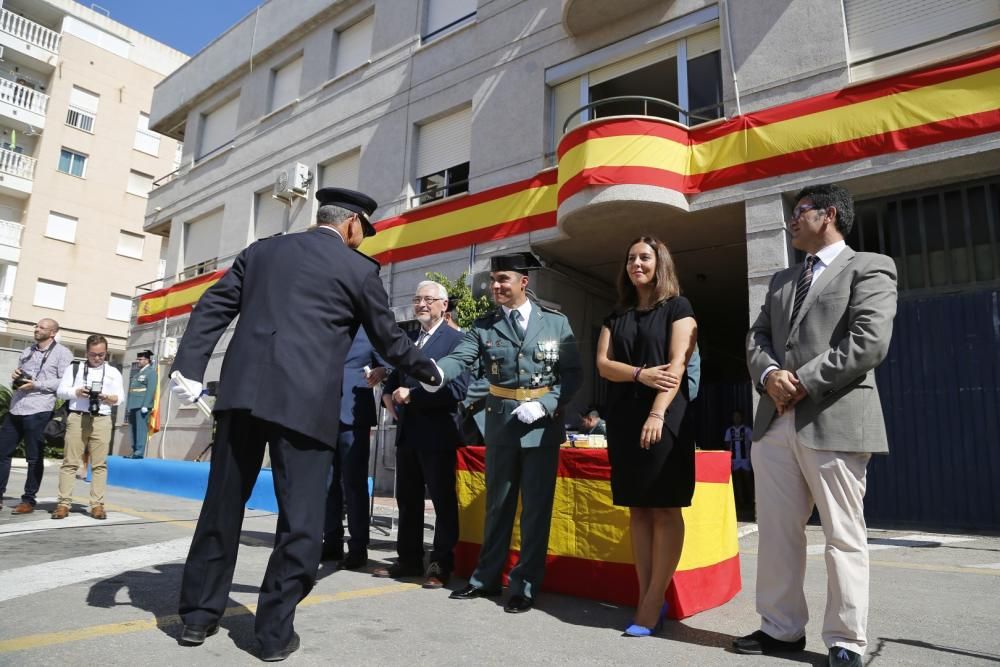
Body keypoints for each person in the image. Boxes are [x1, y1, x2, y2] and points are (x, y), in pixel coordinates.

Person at [168, 187, 440, 662]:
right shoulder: (358, 270)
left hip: (242, 395)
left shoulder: (262, 251)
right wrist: (426, 369)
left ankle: (196, 618)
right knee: (302, 520)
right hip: (304, 404)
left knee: (222, 507)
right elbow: (388, 338)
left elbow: (212, 307)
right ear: (353, 223)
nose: (362, 241)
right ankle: (272, 635)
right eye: (363, 232)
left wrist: (189, 366)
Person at [735, 183, 897, 667]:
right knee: (778, 532)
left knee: (843, 535)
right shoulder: (783, 279)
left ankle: (846, 640)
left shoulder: (870, 267)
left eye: (799, 210)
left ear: (827, 215)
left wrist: (801, 381)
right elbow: (757, 336)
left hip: (834, 417)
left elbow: (869, 342)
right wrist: (767, 374)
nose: (791, 218)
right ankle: (780, 630)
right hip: (775, 422)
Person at [427, 252, 581, 614]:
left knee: (536, 510)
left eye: (503, 280)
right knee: (498, 506)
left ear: (523, 283)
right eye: (493, 280)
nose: (495, 286)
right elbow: (461, 357)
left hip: (541, 426)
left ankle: (524, 586)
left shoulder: (556, 323)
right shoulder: (484, 325)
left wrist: (546, 403)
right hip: (501, 425)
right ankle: (485, 579)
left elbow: (573, 374)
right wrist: (435, 373)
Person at [596, 236, 697, 637]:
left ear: (660, 263)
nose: (636, 263)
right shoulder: (616, 314)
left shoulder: (678, 307)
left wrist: (657, 412)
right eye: (631, 258)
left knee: (664, 507)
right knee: (638, 509)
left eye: (644, 257)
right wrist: (639, 373)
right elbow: (603, 364)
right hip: (623, 419)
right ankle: (648, 594)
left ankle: (652, 602)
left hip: (665, 415)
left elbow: (676, 366)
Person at [374, 280, 469, 588]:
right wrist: (389, 398)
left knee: (441, 501)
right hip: (408, 433)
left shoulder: (457, 340)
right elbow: (393, 380)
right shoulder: (409, 339)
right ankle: (409, 559)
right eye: (417, 299)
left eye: (429, 299)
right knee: (408, 500)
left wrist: (413, 396)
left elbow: (457, 389)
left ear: (444, 305)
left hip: (439, 433)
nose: (422, 304)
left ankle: (440, 564)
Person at [322, 328, 387, 568]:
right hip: (322, 413)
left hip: (354, 416)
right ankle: (331, 542)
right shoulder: (325, 323)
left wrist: (382, 371)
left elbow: (386, 364)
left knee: (354, 483)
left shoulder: (368, 330)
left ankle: (358, 547)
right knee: (327, 483)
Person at [0, 318, 73, 513]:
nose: (36, 329)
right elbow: (21, 373)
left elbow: (64, 382)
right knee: (2, 452)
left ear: (52, 333)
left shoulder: (62, 353)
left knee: (33, 458)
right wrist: (16, 374)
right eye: (36, 326)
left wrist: (37, 384)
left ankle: (28, 500)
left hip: (39, 409)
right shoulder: (27, 351)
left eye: (41, 327)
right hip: (17, 407)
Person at [53, 334, 123, 520]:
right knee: (70, 462)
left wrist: (107, 397)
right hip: (77, 417)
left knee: (99, 464)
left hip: (102, 418)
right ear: (87, 352)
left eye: (101, 354)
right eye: (93, 355)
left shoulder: (113, 372)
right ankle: (63, 504)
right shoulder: (75, 368)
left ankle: (97, 505)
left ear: (106, 352)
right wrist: (76, 392)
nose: (98, 358)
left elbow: (120, 398)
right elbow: (60, 391)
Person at [125, 349, 158, 459]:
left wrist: (146, 404)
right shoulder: (138, 373)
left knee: (141, 429)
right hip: (134, 405)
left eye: (140, 359)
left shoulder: (151, 372)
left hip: (142, 405)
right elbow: (132, 391)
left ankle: (139, 452)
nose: (138, 361)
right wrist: (129, 405)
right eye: (138, 359)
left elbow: (151, 389)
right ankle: (134, 451)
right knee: (133, 429)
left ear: (147, 360)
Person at [725, 410, 754, 516]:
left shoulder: (747, 430)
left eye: (738, 416)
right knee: (737, 481)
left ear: (741, 418)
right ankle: (740, 502)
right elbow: (727, 445)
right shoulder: (730, 431)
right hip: (734, 460)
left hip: (745, 459)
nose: (736, 418)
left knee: (748, 481)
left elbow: (753, 443)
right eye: (734, 417)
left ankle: (751, 501)